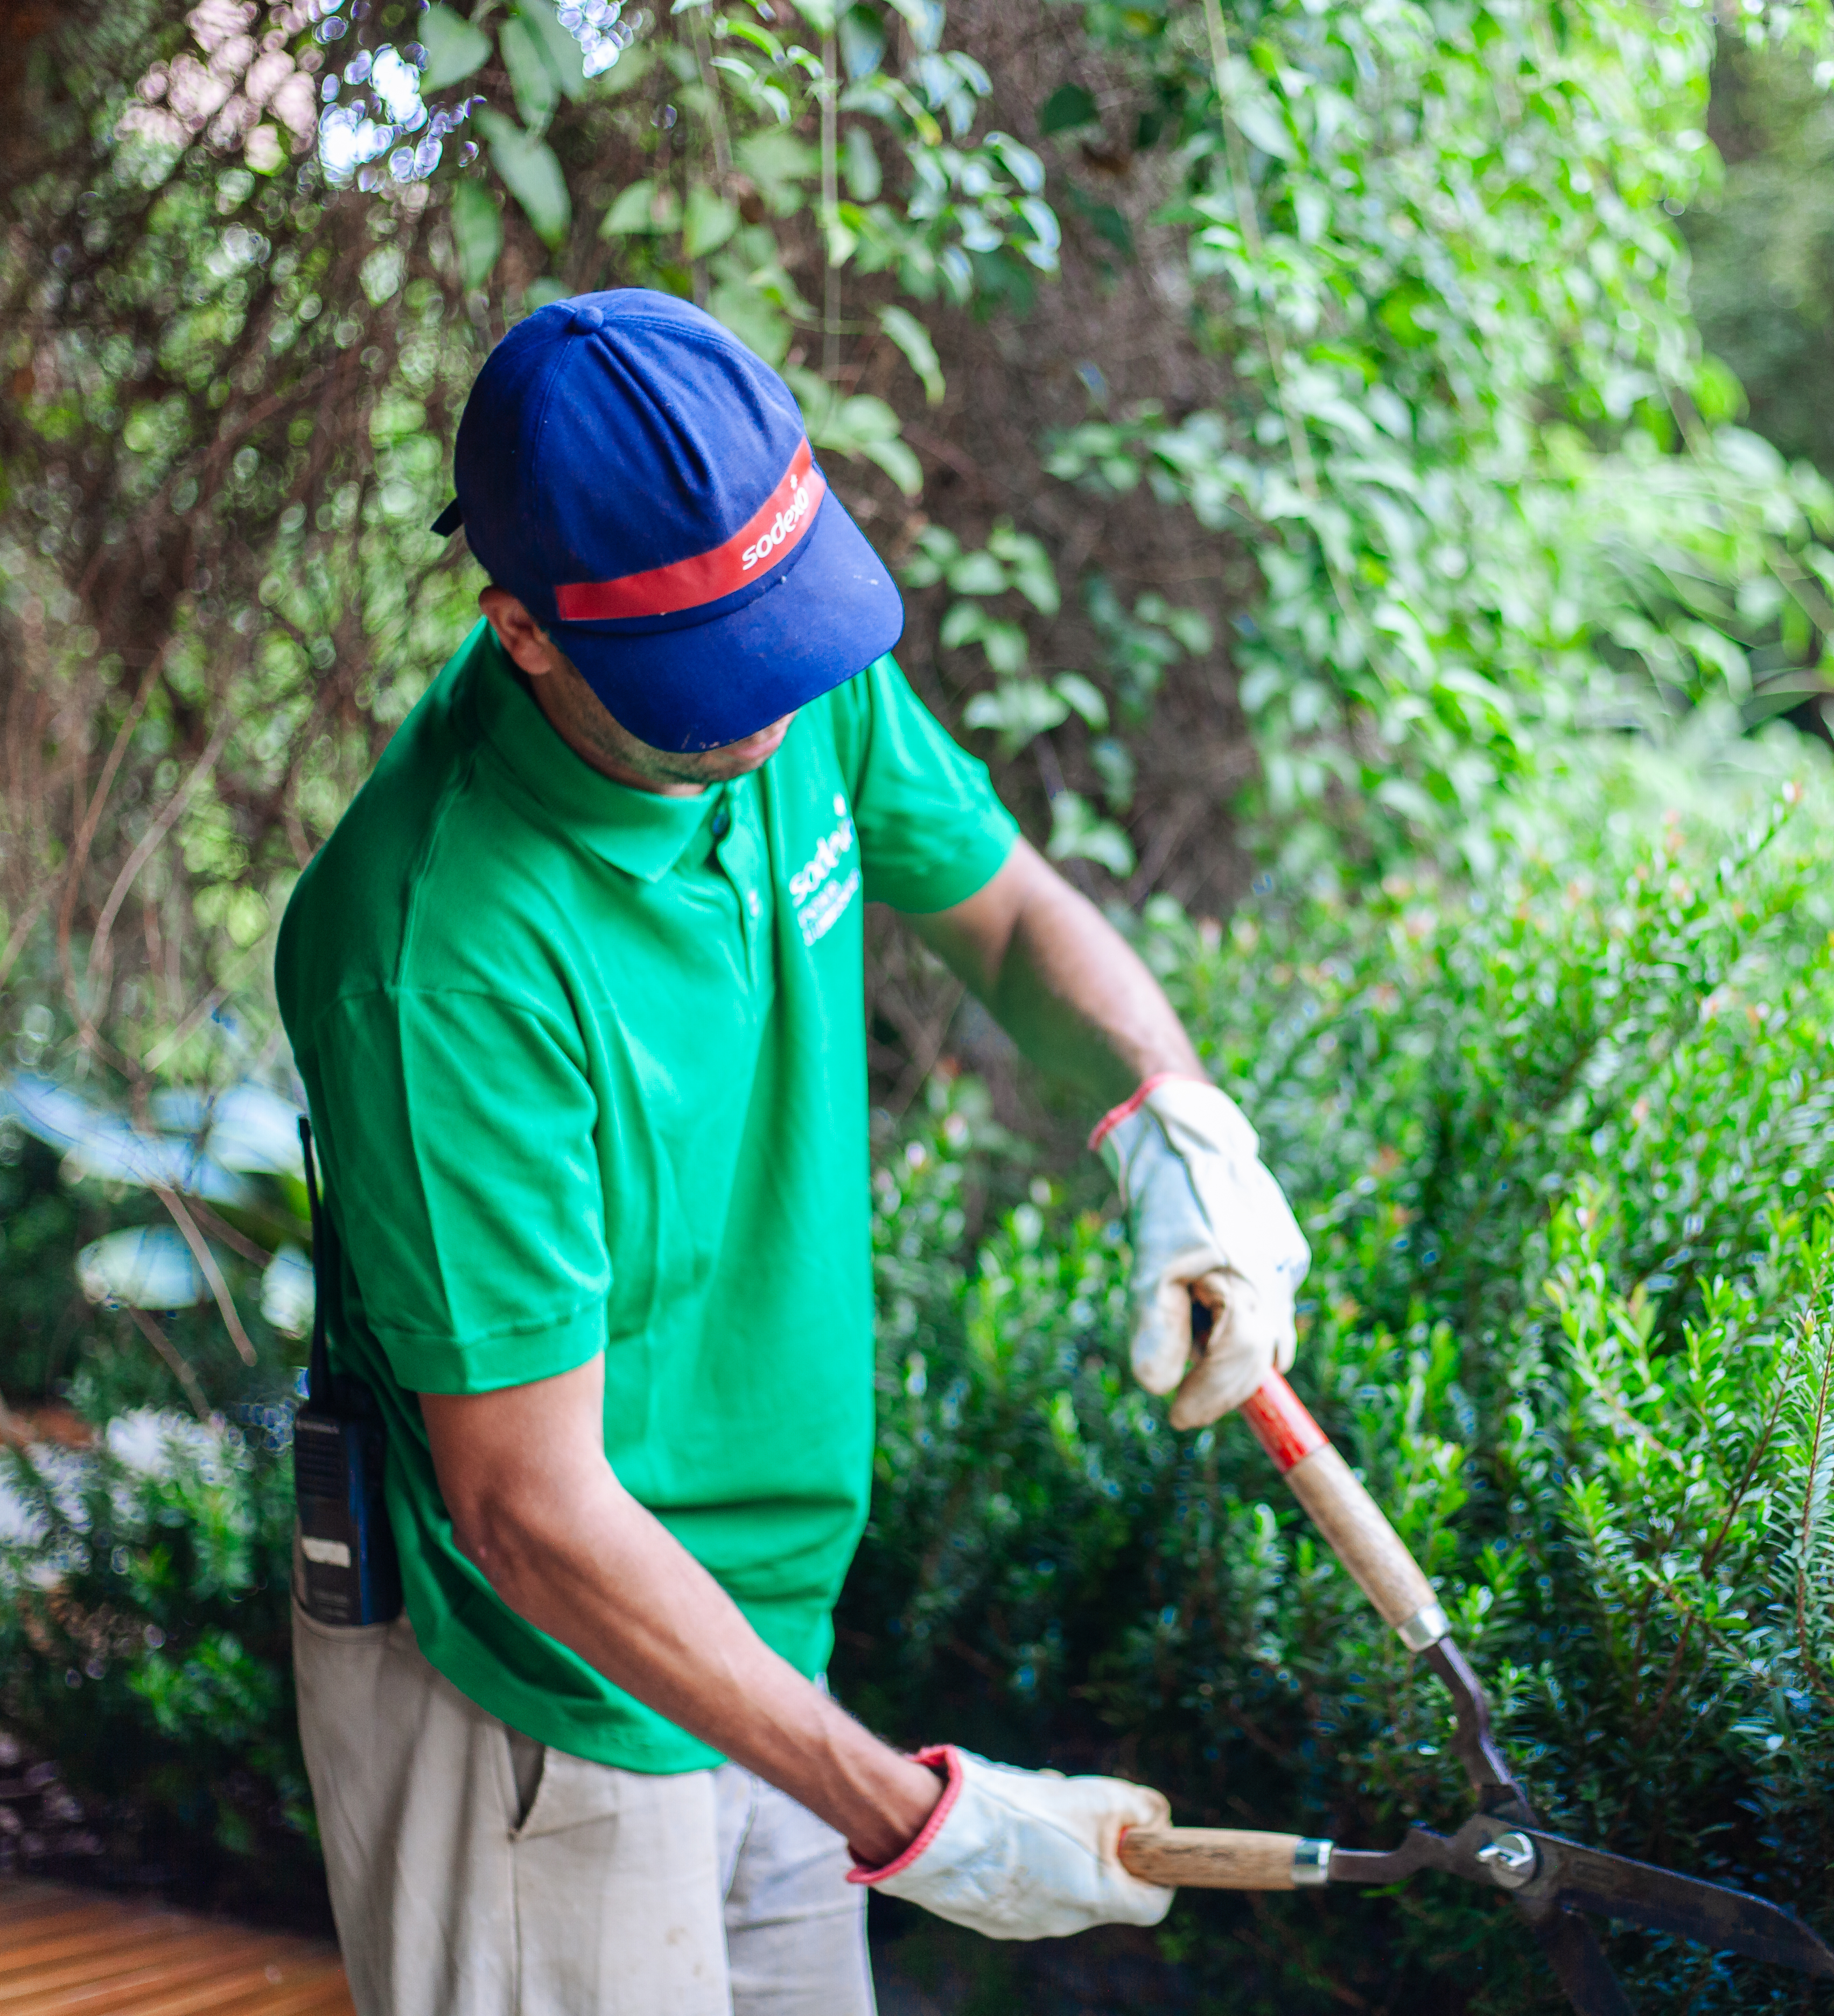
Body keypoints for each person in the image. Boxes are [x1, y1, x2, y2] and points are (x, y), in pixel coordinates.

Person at [271, 287, 1312, 2014]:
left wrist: (1170, 1127)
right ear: (524, 633)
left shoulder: (778, 661)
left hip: (766, 1647)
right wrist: (920, 1822)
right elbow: (531, 1511)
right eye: (708, 682)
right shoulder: (434, 954)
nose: (767, 715)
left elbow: (1006, 917)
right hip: (535, 1694)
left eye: (785, 636)